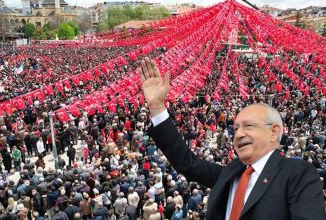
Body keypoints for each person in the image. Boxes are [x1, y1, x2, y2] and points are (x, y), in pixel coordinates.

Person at [138, 57, 325, 220]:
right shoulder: (231, 173)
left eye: (248, 126)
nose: (239, 134)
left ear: (274, 132)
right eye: (235, 128)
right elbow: (186, 162)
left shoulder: (297, 174)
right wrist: (156, 107)